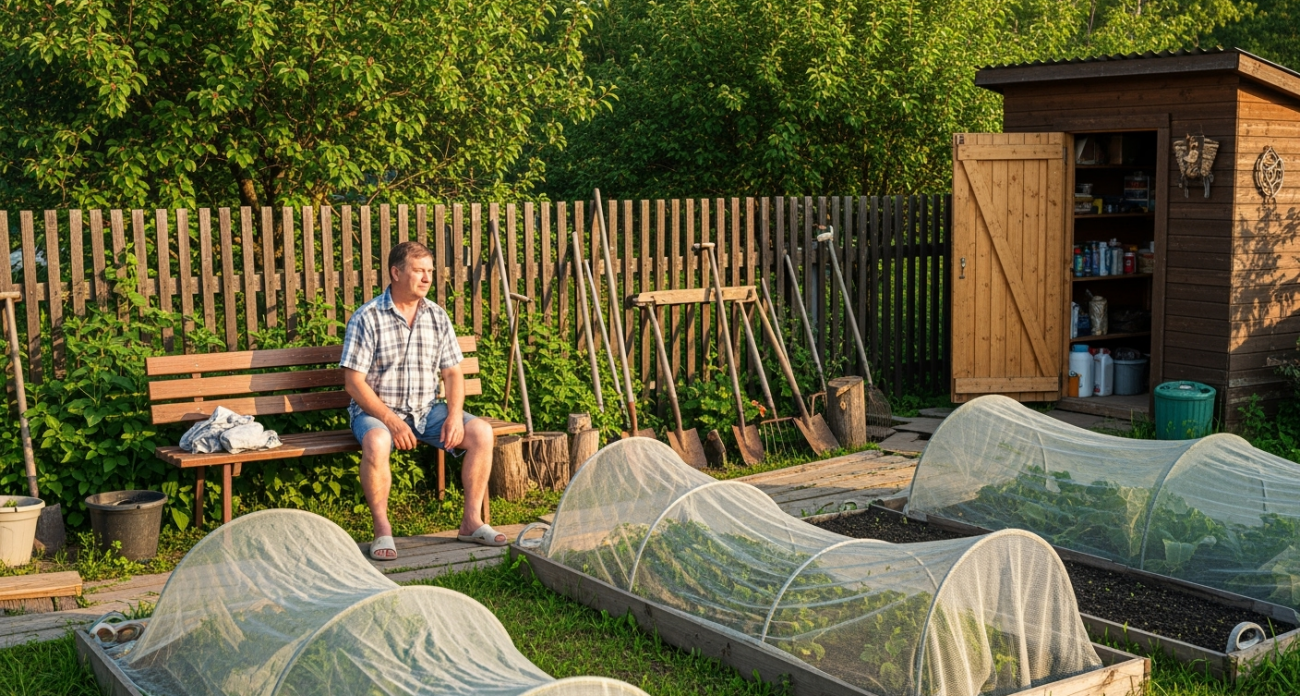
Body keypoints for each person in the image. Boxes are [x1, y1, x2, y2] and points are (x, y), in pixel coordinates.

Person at [340, 241, 505, 560]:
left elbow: (453, 374)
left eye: (430, 271)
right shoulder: (367, 317)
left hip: (427, 411)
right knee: (376, 441)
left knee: (481, 433)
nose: (427, 278)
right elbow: (353, 383)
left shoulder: (437, 316)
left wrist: (454, 416)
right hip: (377, 414)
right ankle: (382, 530)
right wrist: (391, 421)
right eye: (419, 271)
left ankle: (471, 522)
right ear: (396, 273)